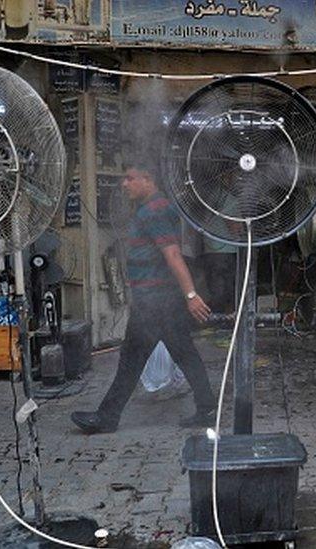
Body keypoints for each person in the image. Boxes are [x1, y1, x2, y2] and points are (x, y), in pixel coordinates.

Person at [71, 162, 216, 434]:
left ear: (148, 179)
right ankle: (206, 409)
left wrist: (191, 295)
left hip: (156, 301)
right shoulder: (152, 208)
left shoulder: (155, 211)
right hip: (157, 300)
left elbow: (172, 255)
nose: (124, 184)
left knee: (133, 359)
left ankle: (107, 417)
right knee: (183, 354)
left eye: (130, 178)